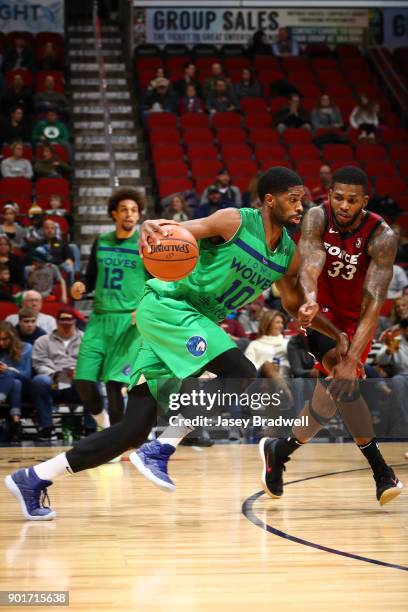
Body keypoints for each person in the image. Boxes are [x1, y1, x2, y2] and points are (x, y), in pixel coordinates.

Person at [5, 167, 348, 518]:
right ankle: (162, 448)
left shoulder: (287, 255)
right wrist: (153, 225)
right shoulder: (234, 221)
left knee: (131, 431)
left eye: (302, 200)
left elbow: (295, 306)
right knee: (241, 371)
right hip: (172, 308)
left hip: (184, 325)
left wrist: (332, 332)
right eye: (293, 199)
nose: (300, 207)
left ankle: (33, 478)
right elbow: (182, 230)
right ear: (269, 200)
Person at [259, 166, 403, 506]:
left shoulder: (381, 235)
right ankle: (381, 471)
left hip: (358, 320)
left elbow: (374, 302)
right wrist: (309, 298)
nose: (343, 205)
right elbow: (310, 263)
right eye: (338, 197)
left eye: (352, 200)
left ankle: (279, 451)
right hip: (321, 315)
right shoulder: (316, 217)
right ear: (330, 195)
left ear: (364, 201)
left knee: (330, 395)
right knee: (344, 383)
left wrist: (355, 355)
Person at [71, 187, 148, 430]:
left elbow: (159, 282)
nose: (129, 214)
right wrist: (81, 285)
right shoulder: (101, 240)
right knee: (83, 381)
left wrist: (145, 308)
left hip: (129, 321)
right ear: (114, 214)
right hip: (99, 319)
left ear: (139, 216)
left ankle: (116, 442)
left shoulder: (145, 244)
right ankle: (105, 427)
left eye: (134, 210)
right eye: (124, 209)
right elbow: (91, 276)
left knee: (115, 383)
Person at [30, 308, 88, 441]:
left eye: (69, 320)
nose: (66, 324)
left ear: (75, 321)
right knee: (39, 380)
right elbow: (39, 363)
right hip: (54, 382)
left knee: (92, 381)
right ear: (57, 322)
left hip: (78, 383)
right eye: (63, 320)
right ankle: (47, 428)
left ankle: (90, 429)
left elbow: (92, 360)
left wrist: (81, 371)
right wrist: (57, 374)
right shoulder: (43, 340)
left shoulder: (87, 339)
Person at [0, 321, 32, 443]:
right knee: (15, 384)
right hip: (6, 386)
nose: (1, 343)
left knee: (11, 376)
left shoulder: (26, 348)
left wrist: (8, 370)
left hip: (24, 386)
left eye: (5, 339)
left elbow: (26, 375)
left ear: (12, 337)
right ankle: (16, 422)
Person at [244, 310, 291, 376]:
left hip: (287, 375)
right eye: (277, 322)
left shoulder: (288, 343)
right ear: (268, 324)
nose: (281, 326)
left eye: (282, 323)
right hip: (263, 379)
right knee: (268, 365)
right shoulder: (254, 344)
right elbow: (248, 366)